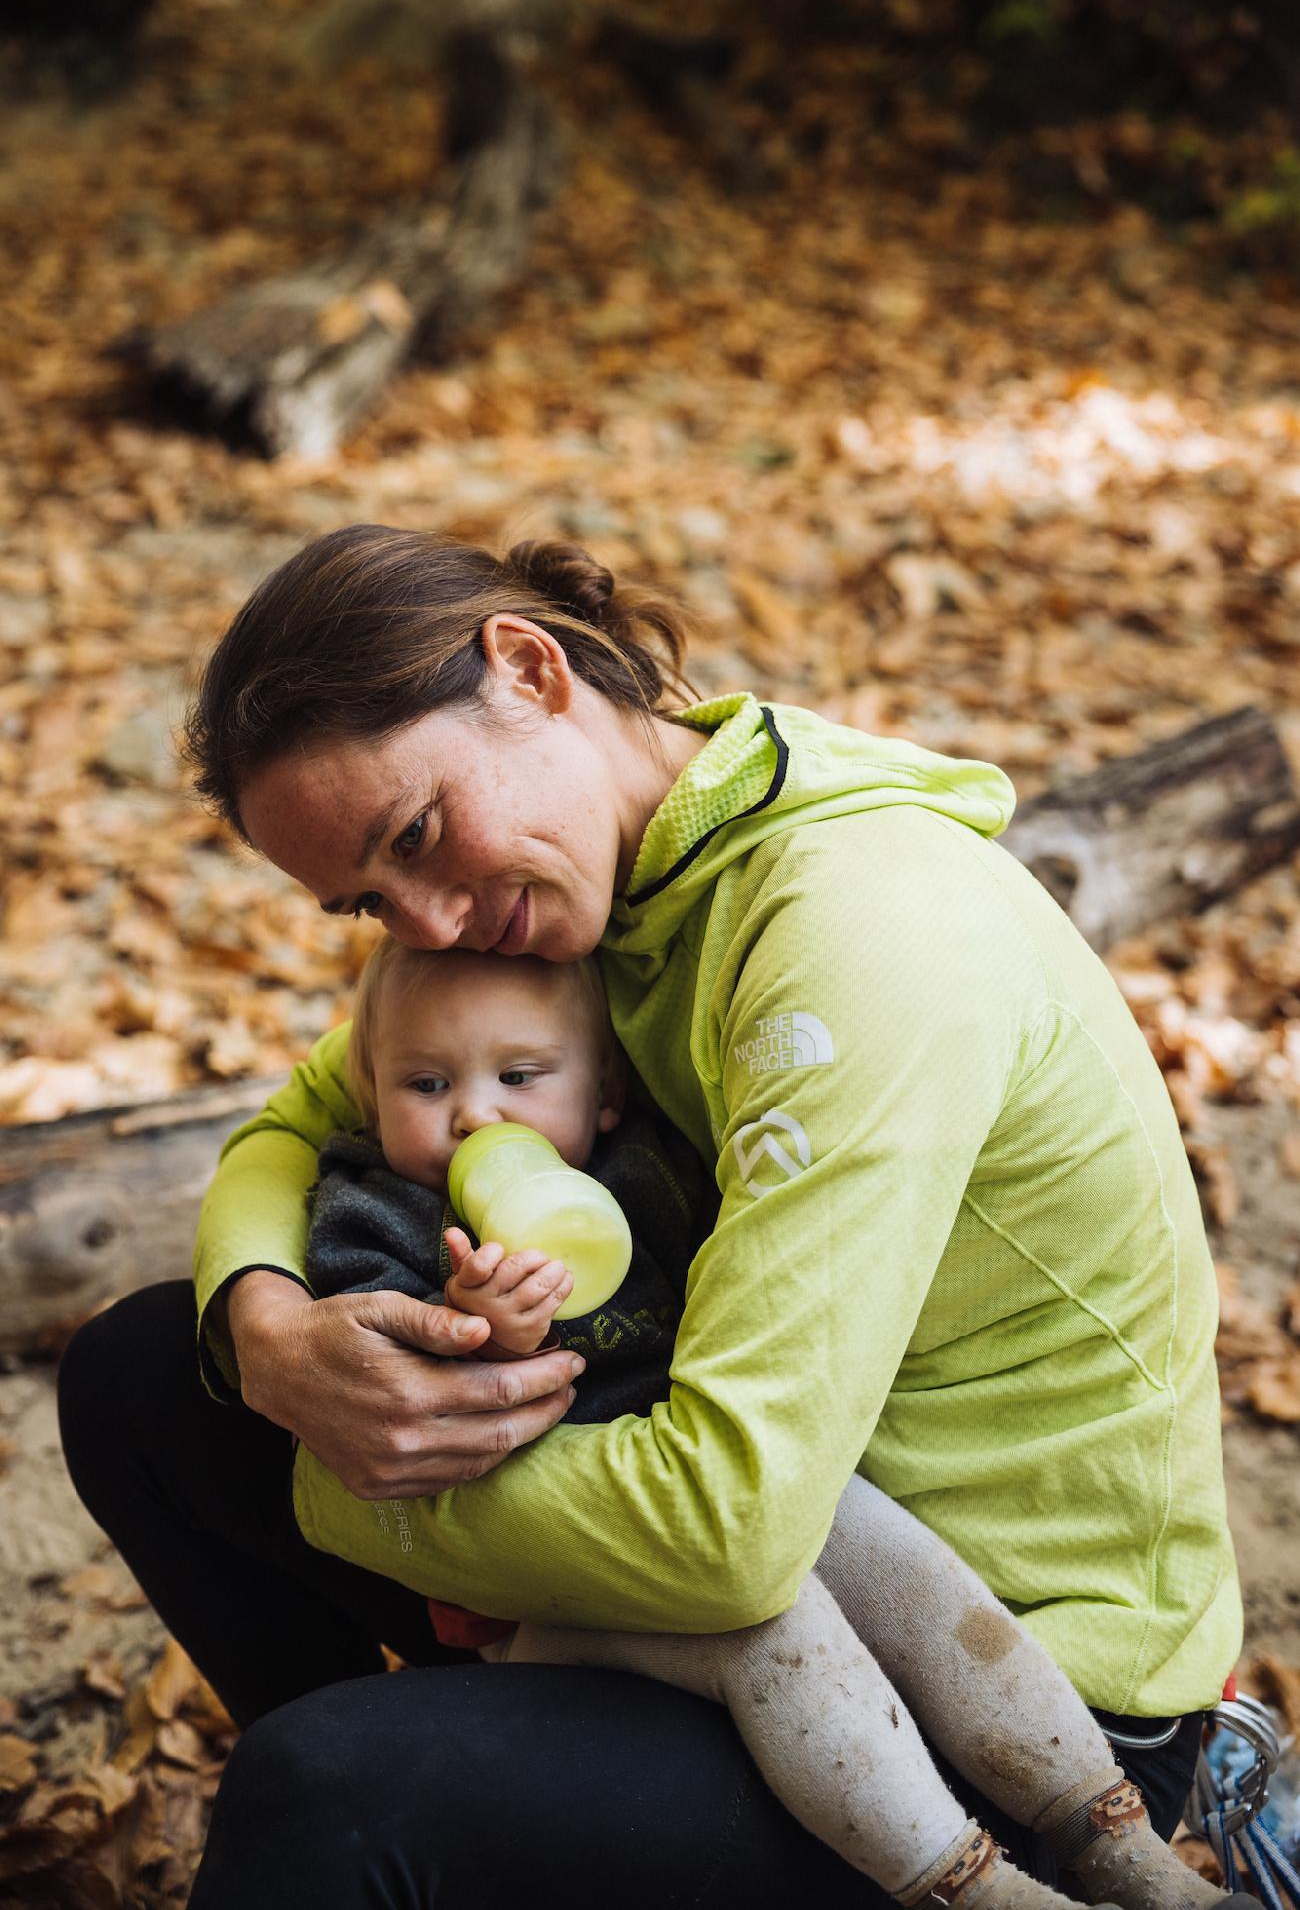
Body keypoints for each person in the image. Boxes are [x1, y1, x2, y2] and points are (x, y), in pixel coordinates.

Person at [58, 527, 1244, 1910]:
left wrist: (346, 1473)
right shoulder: (589, 876)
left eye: (421, 837)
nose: (429, 923)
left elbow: (730, 1530)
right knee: (146, 1371)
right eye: (370, 900)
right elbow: (287, 1130)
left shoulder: (852, 929)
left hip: (996, 1676)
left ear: (529, 668)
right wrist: (267, 1339)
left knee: (333, 1792)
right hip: (716, 1566)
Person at [304, 929, 1245, 1910]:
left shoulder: (651, 1170)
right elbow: (386, 1396)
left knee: (906, 1566)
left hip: (706, 1493)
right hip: (547, 1579)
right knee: (768, 1625)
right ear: (370, 1096)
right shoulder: (377, 1216)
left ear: (603, 1091)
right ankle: (977, 1891)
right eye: (424, 1084)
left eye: (520, 1074)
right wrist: (482, 1330)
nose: (474, 1114)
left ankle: (1116, 1838)